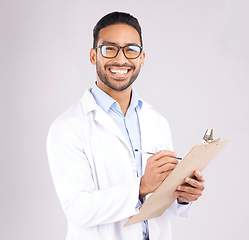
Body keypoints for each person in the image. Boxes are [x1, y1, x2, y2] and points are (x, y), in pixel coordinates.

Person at [47, 11, 205, 240]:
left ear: (141, 58)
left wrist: (182, 195)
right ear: (93, 56)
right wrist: (140, 186)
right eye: (110, 49)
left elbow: (158, 201)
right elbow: (77, 209)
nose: (121, 60)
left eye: (131, 50)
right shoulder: (67, 128)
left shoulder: (157, 122)